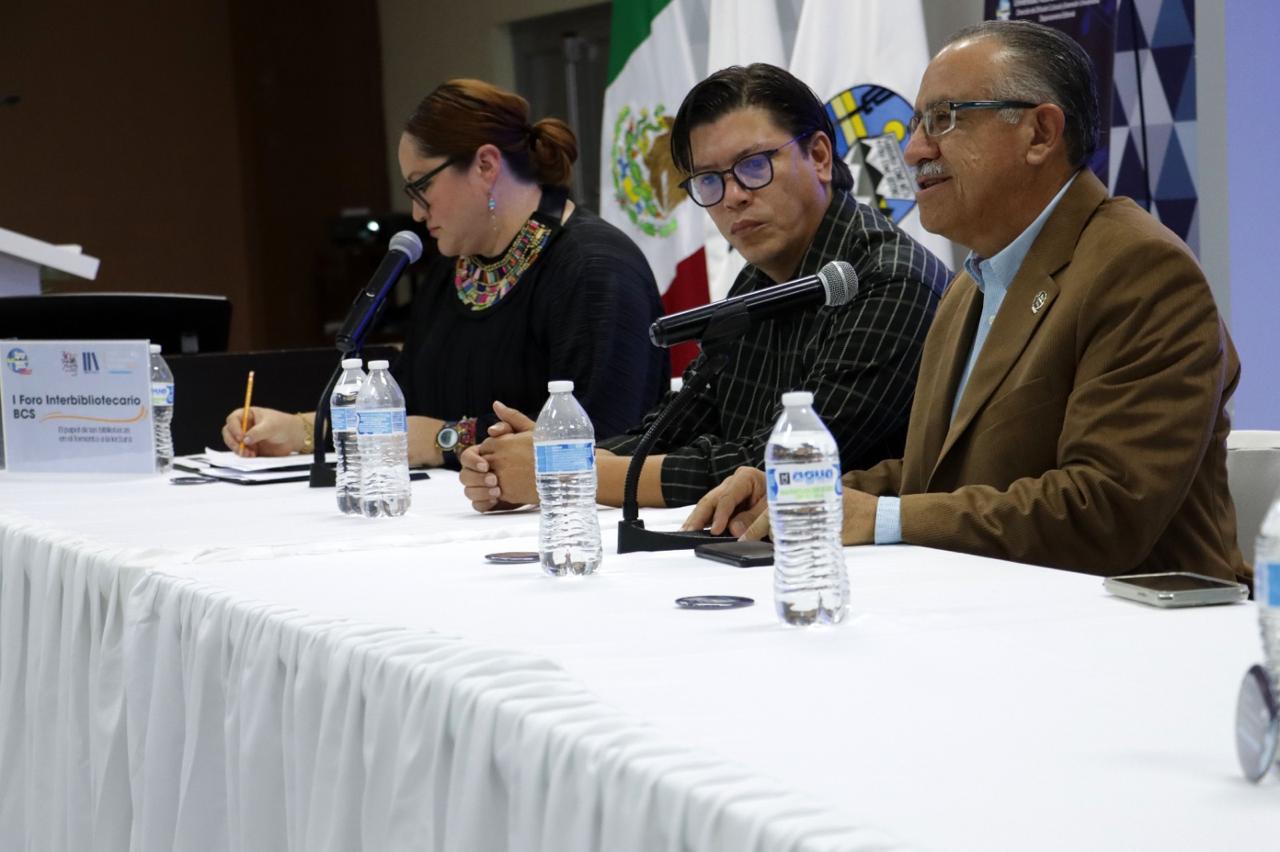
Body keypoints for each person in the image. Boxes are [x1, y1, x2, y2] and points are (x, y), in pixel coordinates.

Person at [684, 22, 1249, 583]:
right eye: (916, 124)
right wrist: (801, 492)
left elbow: (1103, 511)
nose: (912, 150)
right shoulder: (970, 286)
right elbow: (934, 479)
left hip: (1136, 635)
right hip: (988, 614)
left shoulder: (1141, 271)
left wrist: (878, 516)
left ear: (1040, 133)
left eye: (944, 119)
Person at [458, 63, 951, 513]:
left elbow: (784, 460)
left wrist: (568, 474)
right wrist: (548, 455)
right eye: (709, 181)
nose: (733, 197)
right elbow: (686, 420)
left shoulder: (888, 279)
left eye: (754, 166)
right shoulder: (761, 278)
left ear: (819, 155)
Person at [222, 79, 668, 467]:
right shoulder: (453, 272)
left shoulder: (596, 270)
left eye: (422, 186)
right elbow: (410, 410)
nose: (417, 213)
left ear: (486, 166)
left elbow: (607, 435)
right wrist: (302, 430)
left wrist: (445, 439)